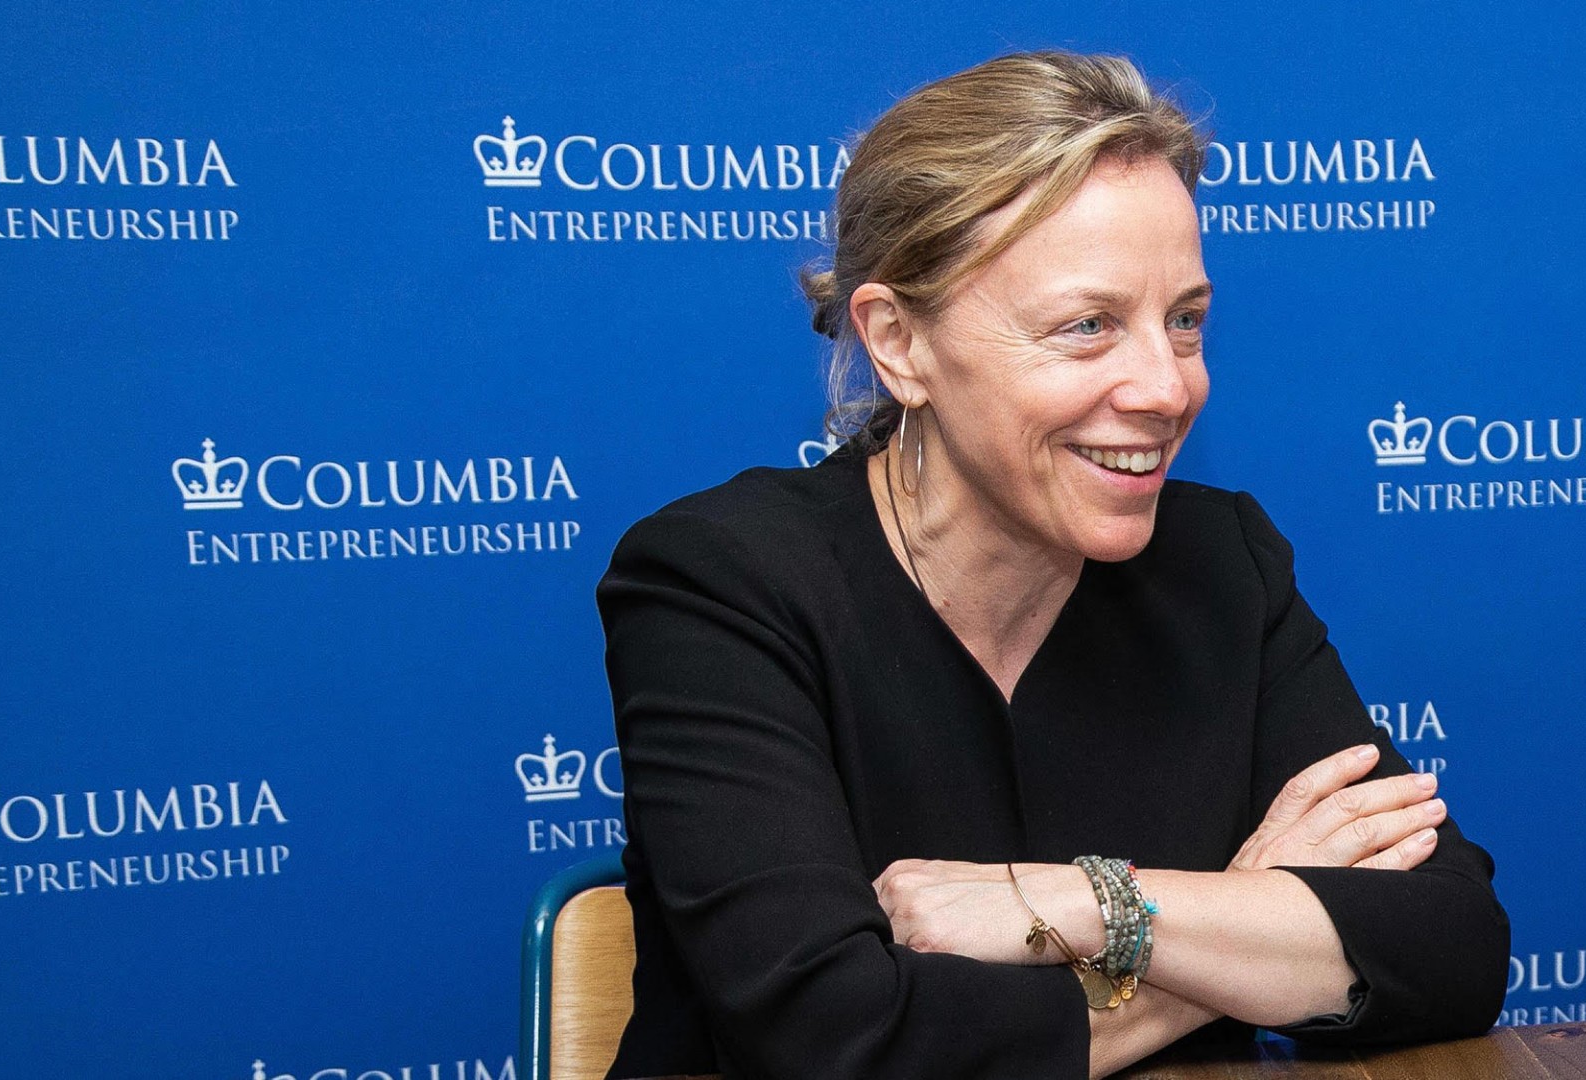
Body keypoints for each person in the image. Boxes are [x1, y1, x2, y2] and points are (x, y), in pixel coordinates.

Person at [596, 50, 1508, 1080]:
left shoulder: (1223, 564)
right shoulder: (721, 582)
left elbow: (1452, 942)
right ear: (899, 343)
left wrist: (1078, 903)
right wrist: (1229, 921)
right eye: (1088, 326)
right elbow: (839, 1047)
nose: (1166, 387)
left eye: (1186, 320)